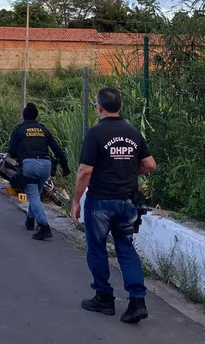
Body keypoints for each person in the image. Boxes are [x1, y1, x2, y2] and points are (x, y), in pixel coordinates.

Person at [71, 87, 157, 324]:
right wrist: (130, 170)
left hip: (100, 201)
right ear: (120, 107)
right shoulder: (132, 132)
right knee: (126, 249)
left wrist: (76, 200)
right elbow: (150, 165)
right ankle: (137, 301)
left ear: (99, 107)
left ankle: (104, 297)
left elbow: (85, 171)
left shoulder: (95, 133)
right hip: (128, 201)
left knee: (97, 249)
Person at [8, 102, 72, 240]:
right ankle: (30, 220)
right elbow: (58, 150)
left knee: (33, 195)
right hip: (45, 165)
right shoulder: (44, 130)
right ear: (36, 116)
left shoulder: (19, 129)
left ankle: (44, 226)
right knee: (36, 193)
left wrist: (20, 157)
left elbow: (11, 151)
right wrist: (66, 169)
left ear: (23, 116)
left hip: (29, 165)